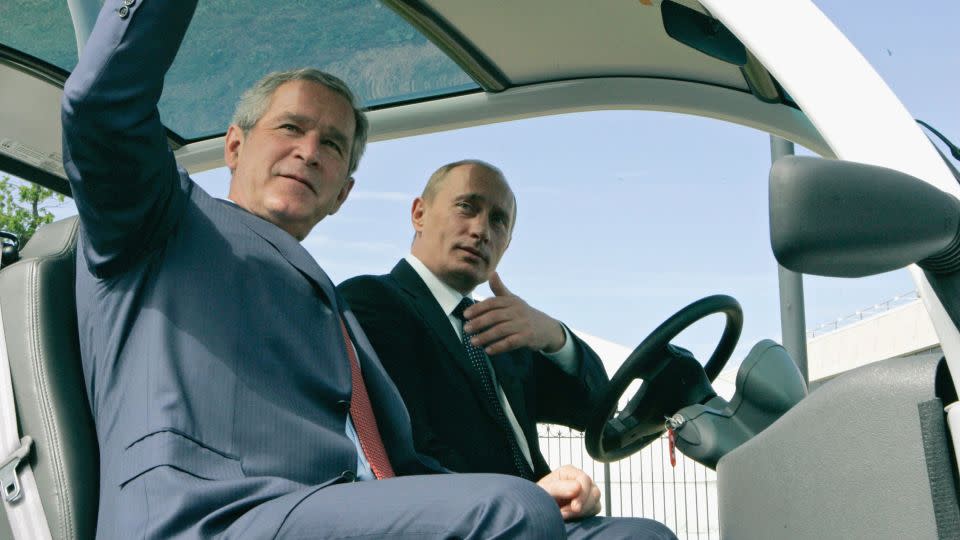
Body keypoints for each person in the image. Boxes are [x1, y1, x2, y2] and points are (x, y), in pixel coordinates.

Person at [61, 1, 675, 538]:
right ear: (235, 145)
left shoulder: (329, 307)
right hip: (210, 517)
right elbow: (102, 109)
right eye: (290, 128)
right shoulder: (161, 220)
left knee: (637, 534)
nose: (309, 151)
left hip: (338, 511)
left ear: (343, 193)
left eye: (332, 145)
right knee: (510, 511)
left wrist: (539, 492)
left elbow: (400, 463)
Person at [338, 160, 609, 482]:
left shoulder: (505, 330)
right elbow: (407, 449)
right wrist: (528, 497)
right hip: (463, 516)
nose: (481, 231)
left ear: (507, 243)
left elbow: (595, 413)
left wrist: (554, 336)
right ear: (419, 214)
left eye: (498, 221)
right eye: (466, 207)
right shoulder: (372, 300)